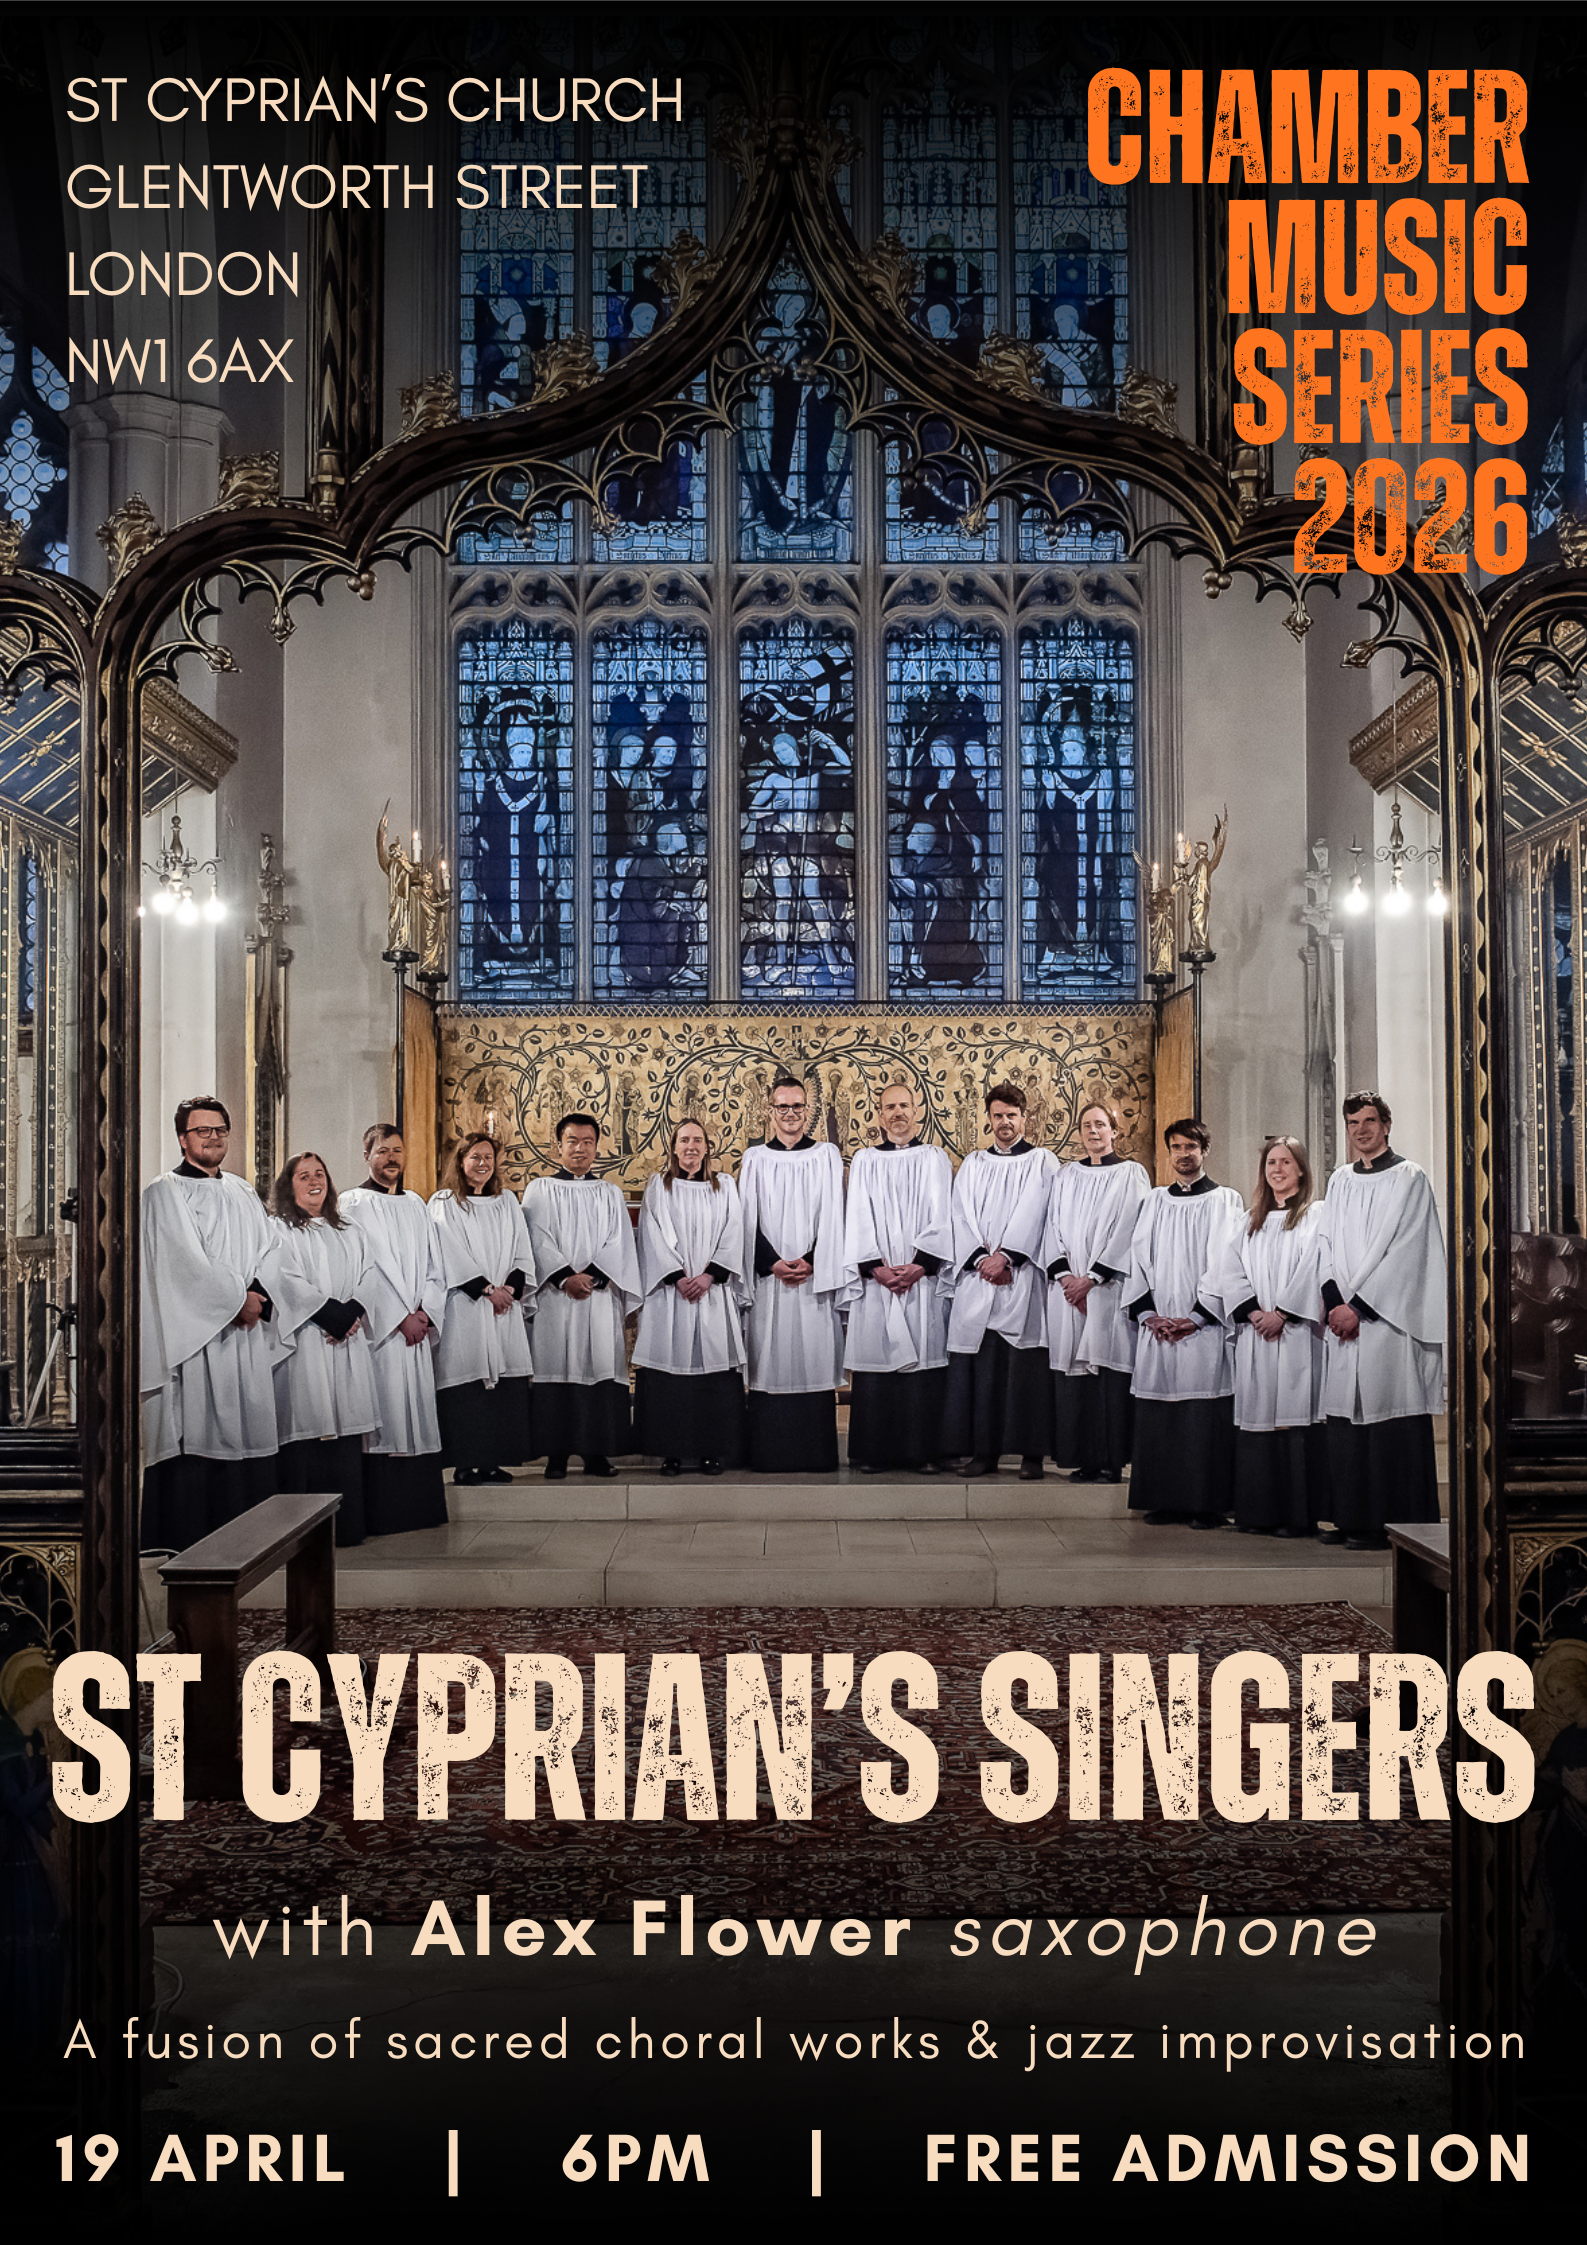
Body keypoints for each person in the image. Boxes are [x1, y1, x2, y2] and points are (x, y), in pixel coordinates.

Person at [139, 1095, 279, 1549]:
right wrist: (238, 1301)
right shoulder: (164, 1192)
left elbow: (270, 1250)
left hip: (245, 1332)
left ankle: (250, 1540)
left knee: (247, 1426)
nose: (213, 1138)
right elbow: (183, 1264)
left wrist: (257, 1297)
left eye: (220, 1130)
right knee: (199, 1428)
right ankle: (192, 1540)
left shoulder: (241, 1190)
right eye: (202, 1131)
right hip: (197, 1338)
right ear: (183, 1139)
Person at [1316, 1090, 1446, 1549]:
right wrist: (1334, 1300)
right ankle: (1351, 1519)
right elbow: (1325, 1244)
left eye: (1369, 1121)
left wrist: (1359, 1308)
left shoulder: (1410, 1177)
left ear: (1386, 1125)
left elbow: (1410, 1252)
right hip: (1344, 1320)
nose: (1361, 1130)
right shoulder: (1340, 1180)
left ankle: (1393, 1526)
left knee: (1389, 1422)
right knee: (1347, 1422)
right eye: (1353, 1123)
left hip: (1387, 1323)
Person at [1125, 1116, 1245, 1526]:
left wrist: (1196, 1316)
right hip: (1159, 1326)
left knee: (1201, 1416)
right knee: (1161, 1414)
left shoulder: (1224, 1201)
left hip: (1203, 1327)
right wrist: (1148, 1313)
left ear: (1204, 1150)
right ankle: (1164, 1500)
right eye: (1176, 1147)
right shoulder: (1155, 1201)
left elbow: (1226, 1263)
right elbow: (1137, 1258)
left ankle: (1206, 1504)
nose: (1183, 1154)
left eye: (1190, 1146)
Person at [1212, 1135, 1331, 1538]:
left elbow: (1315, 1268)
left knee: (1296, 1418)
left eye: (1285, 1162)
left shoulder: (1315, 1216)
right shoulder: (1248, 1221)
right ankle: (1258, 1513)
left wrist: (1282, 1313)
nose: (1277, 1170)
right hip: (1256, 1334)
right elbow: (1229, 1270)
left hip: (1297, 1335)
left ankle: (1298, 1517)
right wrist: (1253, 1313)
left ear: (1301, 1169)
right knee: (1259, 1417)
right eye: (1271, 1163)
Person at [941, 1081, 1058, 1479]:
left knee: (1025, 1372)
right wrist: (980, 1258)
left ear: (1025, 1118)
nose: (1004, 1122)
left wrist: (1007, 1257)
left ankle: (1031, 1455)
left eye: (1011, 1115)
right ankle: (983, 1453)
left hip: (1020, 1278)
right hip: (979, 1278)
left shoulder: (1042, 1161)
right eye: (997, 1115)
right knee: (982, 1371)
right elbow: (960, 1214)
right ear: (988, 1119)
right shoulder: (974, 1163)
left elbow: (1038, 1212)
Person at [264, 1150, 379, 1546]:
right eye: (304, 1176)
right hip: (307, 1344)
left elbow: (370, 1272)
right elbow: (283, 1278)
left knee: (345, 1429)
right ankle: (304, 1536)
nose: (315, 1181)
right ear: (288, 1185)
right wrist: (330, 1316)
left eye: (320, 1174)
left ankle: (347, 1528)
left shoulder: (348, 1228)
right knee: (308, 1426)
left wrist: (352, 1312)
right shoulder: (278, 1230)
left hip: (346, 1341)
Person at [340, 1126, 449, 1533]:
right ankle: (383, 1514)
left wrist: (425, 1313)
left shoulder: (417, 1204)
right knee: (384, 1415)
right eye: (382, 1150)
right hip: (381, 1334)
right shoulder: (352, 1203)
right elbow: (359, 1269)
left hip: (415, 1330)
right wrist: (398, 1317)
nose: (391, 1158)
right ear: (366, 1155)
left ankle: (417, 1512)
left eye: (398, 1151)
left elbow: (436, 1266)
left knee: (416, 1415)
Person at [841, 1082, 953, 1472]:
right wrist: (876, 1268)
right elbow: (857, 1216)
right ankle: (874, 1453)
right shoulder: (865, 1160)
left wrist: (921, 1265)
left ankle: (923, 1453)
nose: (898, 1113)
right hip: (878, 1281)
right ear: (879, 1115)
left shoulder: (934, 1158)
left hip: (920, 1280)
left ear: (916, 1110)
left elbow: (943, 1215)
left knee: (921, 1361)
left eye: (904, 1105)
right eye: (890, 1107)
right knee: (877, 1360)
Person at [736, 1074, 845, 1471]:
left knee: (813, 1356)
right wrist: (771, 1262)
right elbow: (746, 1220)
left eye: (797, 1106)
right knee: (770, 1357)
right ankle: (769, 1454)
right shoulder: (755, 1158)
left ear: (807, 1109)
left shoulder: (826, 1155)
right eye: (782, 1106)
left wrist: (813, 1259)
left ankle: (815, 1455)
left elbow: (835, 1214)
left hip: (814, 1280)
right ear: (770, 1110)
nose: (790, 1113)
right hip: (771, 1282)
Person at [522, 1112, 639, 1478]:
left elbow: (619, 1242)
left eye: (588, 1142)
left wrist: (593, 1277)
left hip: (598, 1298)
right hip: (556, 1299)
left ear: (596, 1148)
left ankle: (596, 1454)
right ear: (558, 1146)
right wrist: (564, 1278)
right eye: (572, 1141)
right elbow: (536, 1239)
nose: (580, 1148)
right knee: (556, 1366)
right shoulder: (539, 1190)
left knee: (598, 1366)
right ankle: (556, 1456)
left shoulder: (609, 1192)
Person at [1044, 1098, 1150, 1483]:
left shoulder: (1131, 1174)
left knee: (1107, 1373)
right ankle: (1084, 1458)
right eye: (1087, 1125)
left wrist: (1091, 1279)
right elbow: (1052, 1227)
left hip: (1108, 1289)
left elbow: (1129, 1230)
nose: (1093, 1131)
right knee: (1076, 1378)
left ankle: (1110, 1460)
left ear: (1115, 1131)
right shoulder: (1066, 1176)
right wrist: (1067, 1278)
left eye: (1101, 1124)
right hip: (1068, 1291)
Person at [632, 1119, 747, 1474]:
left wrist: (710, 1275)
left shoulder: (724, 1185)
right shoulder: (659, 1186)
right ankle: (671, 1452)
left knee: (713, 1376)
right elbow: (651, 1233)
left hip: (712, 1293)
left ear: (707, 1147)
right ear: (673, 1147)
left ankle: (713, 1451)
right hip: (671, 1295)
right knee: (671, 1377)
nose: (691, 1146)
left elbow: (734, 1231)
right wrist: (677, 1278)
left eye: (697, 1140)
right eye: (684, 1140)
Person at [428, 1132, 535, 1488]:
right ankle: (464, 1463)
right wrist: (487, 1290)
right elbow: (447, 1251)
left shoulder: (506, 1202)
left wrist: (510, 1289)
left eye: (488, 1157)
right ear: (460, 1162)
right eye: (475, 1157)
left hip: (503, 1307)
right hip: (466, 1305)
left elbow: (522, 1249)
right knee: (467, 1383)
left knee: (502, 1386)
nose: (483, 1164)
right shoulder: (445, 1202)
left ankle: (491, 1461)